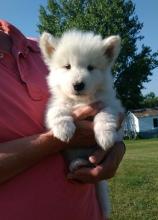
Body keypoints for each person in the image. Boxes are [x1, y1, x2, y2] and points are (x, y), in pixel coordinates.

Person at [0, 19, 125, 220]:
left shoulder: (34, 47)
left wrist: (116, 149)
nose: (78, 78)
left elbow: (114, 117)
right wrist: (55, 139)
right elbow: (57, 118)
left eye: (91, 67)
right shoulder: (55, 57)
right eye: (67, 66)